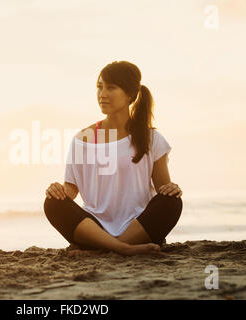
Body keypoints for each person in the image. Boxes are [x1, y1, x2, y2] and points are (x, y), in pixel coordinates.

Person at [43, 61, 183, 257]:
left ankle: (103, 250)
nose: (102, 94)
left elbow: (162, 189)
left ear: (130, 95)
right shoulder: (82, 139)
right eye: (99, 87)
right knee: (52, 203)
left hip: (137, 227)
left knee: (172, 201)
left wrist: (172, 189)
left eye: (111, 88)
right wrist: (57, 191)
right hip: (94, 228)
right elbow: (71, 190)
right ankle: (121, 248)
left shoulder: (152, 139)